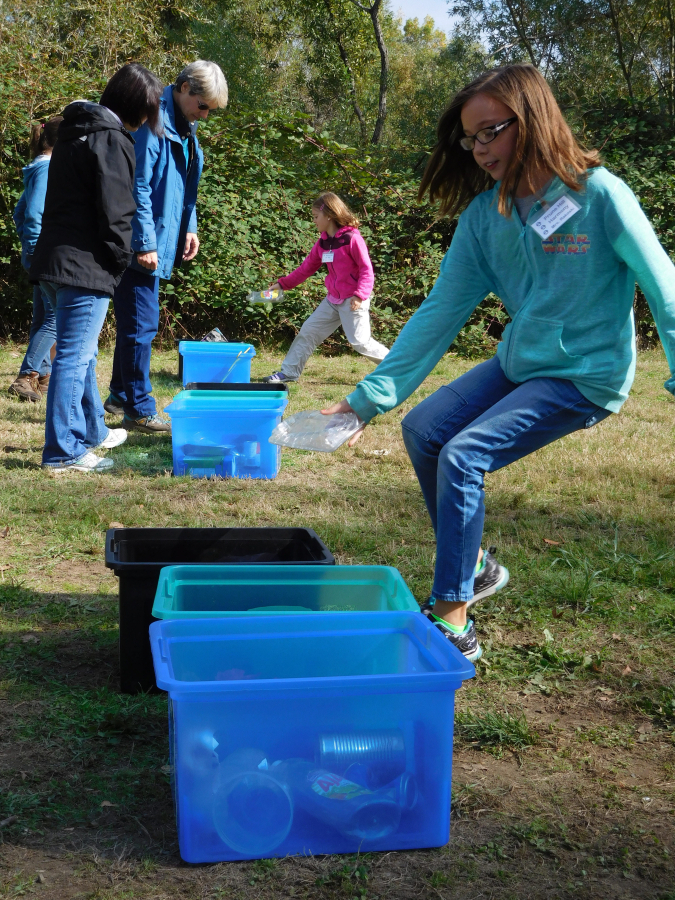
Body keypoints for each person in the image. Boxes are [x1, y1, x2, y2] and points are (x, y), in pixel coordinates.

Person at [323, 63, 675, 661]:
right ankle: (477, 566)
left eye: (492, 131)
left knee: (465, 454)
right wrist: (366, 400)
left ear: (532, 118)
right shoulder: (485, 219)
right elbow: (439, 312)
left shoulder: (599, 195)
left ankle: (454, 620)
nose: (480, 148)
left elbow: (662, 282)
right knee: (425, 431)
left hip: (584, 375)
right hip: (521, 361)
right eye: (470, 137)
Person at [30, 62, 163, 472]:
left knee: (83, 356)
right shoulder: (112, 140)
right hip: (83, 266)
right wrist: (122, 259)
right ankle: (63, 452)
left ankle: (91, 432)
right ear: (137, 108)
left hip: (54, 260)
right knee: (74, 356)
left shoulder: (74, 132)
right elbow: (117, 212)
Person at [104, 60, 228, 434]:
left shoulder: (185, 126)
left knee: (135, 322)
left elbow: (184, 186)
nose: (205, 115)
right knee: (143, 324)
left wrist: (189, 226)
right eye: (203, 105)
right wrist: (144, 241)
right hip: (139, 241)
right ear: (185, 87)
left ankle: (118, 394)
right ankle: (139, 409)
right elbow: (136, 185)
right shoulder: (153, 120)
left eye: (211, 110)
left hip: (160, 237)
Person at [262, 191, 389, 383]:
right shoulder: (323, 243)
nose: (314, 221)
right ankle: (288, 373)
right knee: (308, 331)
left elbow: (366, 269)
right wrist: (281, 285)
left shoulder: (352, 238)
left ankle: (398, 368)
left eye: (315, 217)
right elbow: (305, 269)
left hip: (353, 299)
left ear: (328, 215)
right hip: (333, 300)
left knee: (360, 342)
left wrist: (360, 295)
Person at [8, 117, 62, 402]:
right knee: (55, 317)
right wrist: (34, 249)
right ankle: (26, 375)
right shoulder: (47, 168)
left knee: (42, 316)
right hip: (45, 254)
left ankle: (42, 377)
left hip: (38, 252)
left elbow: (19, 213)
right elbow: (33, 215)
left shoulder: (37, 167)